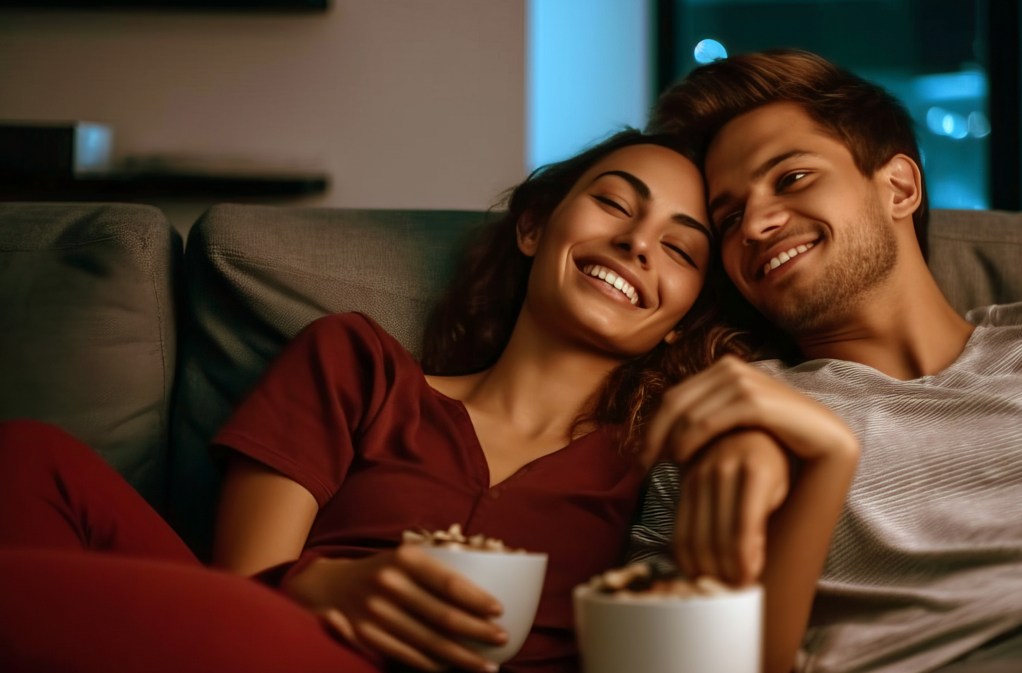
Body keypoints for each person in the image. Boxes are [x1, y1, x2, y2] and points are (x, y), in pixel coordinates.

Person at [0, 129, 746, 673]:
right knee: (31, 459)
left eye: (680, 250)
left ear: (680, 314)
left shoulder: (658, 465)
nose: (639, 243)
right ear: (533, 226)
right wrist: (326, 586)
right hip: (280, 647)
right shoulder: (356, 363)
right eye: (615, 204)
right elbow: (241, 589)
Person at [633, 49, 1022, 673]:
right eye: (729, 217)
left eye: (791, 179)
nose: (757, 225)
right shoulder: (732, 415)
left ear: (900, 186)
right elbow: (668, 655)